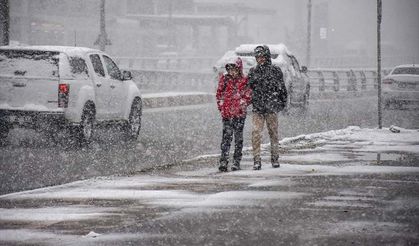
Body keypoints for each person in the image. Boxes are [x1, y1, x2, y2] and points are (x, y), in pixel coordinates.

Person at [248, 45, 288, 170]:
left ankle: (275, 157)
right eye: (258, 57)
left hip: (271, 108)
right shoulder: (253, 71)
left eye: (262, 56)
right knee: (256, 133)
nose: (260, 59)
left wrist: (281, 104)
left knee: (273, 134)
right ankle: (257, 159)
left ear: (267, 57)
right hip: (258, 108)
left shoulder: (275, 71)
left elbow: (282, 89)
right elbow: (249, 89)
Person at [216, 57, 251, 172]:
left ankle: (236, 161)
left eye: (234, 69)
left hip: (239, 115)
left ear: (239, 69)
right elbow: (219, 94)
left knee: (238, 139)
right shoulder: (225, 79)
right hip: (227, 114)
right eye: (230, 69)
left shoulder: (244, 80)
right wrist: (221, 107)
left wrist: (243, 103)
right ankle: (224, 160)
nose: (232, 72)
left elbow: (248, 94)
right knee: (226, 138)